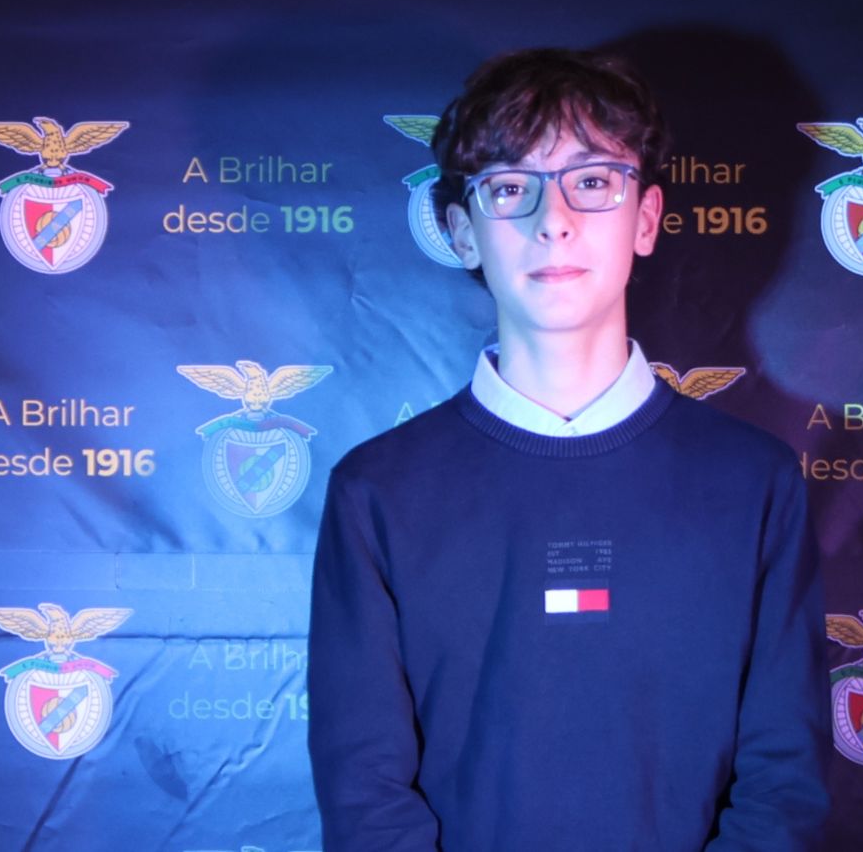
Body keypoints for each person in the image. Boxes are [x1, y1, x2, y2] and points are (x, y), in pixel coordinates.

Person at [308, 48, 828, 850]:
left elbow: (783, 782)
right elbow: (366, 795)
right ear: (462, 231)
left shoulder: (753, 482)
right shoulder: (377, 492)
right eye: (510, 187)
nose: (553, 219)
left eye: (591, 180)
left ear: (645, 219)